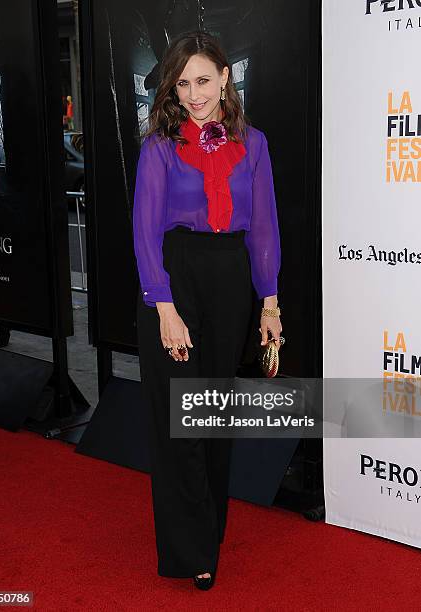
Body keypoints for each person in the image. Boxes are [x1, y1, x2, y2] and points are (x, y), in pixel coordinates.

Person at [133, 30, 282, 590]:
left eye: (203, 79)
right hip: (174, 279)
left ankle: (207, 530)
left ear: (225, 76)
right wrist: (163, 305)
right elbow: (145, 232)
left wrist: (269, 302)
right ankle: (189, 549)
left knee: (212, 417)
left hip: (230, 284)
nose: (193, 93)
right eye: (183, 82)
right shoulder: (159, 149)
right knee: (179, 422)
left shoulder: (257, 145)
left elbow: (264, 225)